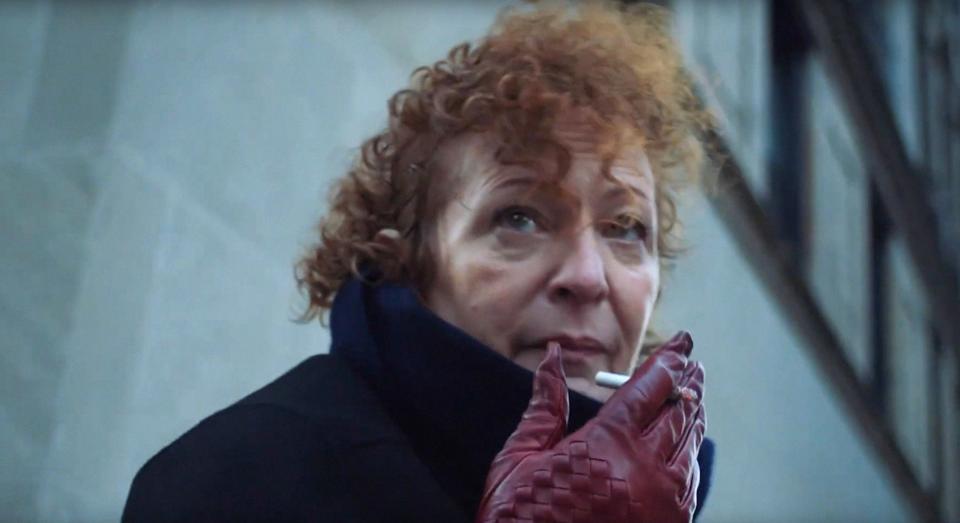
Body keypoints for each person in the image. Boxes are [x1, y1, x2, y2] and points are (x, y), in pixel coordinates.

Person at [122, 1, 716, 521]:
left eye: (624, 228)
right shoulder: (246, 475)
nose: (587, 277)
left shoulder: (664, 492)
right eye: (519, 219)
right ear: (410, 261)